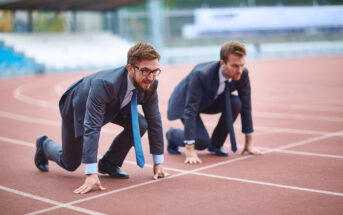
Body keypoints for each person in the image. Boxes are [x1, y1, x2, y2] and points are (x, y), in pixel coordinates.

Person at [34, 42, 169, 194]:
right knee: (70, 163)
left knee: (141, 124)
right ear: (130, 68)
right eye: (145, 71)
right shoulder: (105, 84)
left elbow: (155, 121)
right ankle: (44, 145)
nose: (150, 77)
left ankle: (109, 163)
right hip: (78, 105)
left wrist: (158, 163)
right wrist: (91, 173)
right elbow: (92, 126)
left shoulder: (150, 84)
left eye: (155, 71)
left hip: (115, 104)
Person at [166, 41, 261, 164]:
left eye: (242, 65)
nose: (239, 70)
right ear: (222, 63)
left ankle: (216, 145)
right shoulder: (201, 74)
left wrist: (249, 143)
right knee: (200, 141)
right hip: (186, 103)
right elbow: (190, 109)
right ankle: (172, 135)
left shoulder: (242, 74)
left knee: (236, 103)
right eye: (235, 66)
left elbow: (246, 105)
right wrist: (190, 149)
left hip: (210, 99)